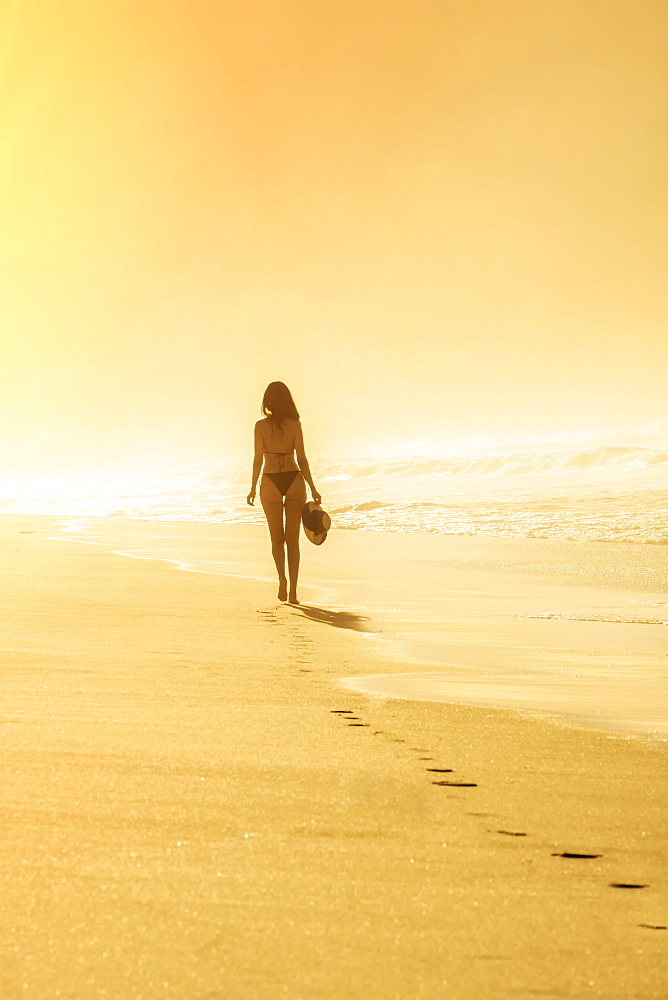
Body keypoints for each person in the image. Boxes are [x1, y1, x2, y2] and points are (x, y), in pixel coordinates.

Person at [247, 382, 321, 604]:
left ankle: (282, 579)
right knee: (293, 540)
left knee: (276, 539)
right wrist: (313, 487)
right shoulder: (295, 425)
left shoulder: (259, 426)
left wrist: (252, 488)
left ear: (267, 401)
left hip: (270, 480)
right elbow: (302, 459)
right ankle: (294, 593)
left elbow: (258, 460)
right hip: (294, 479)